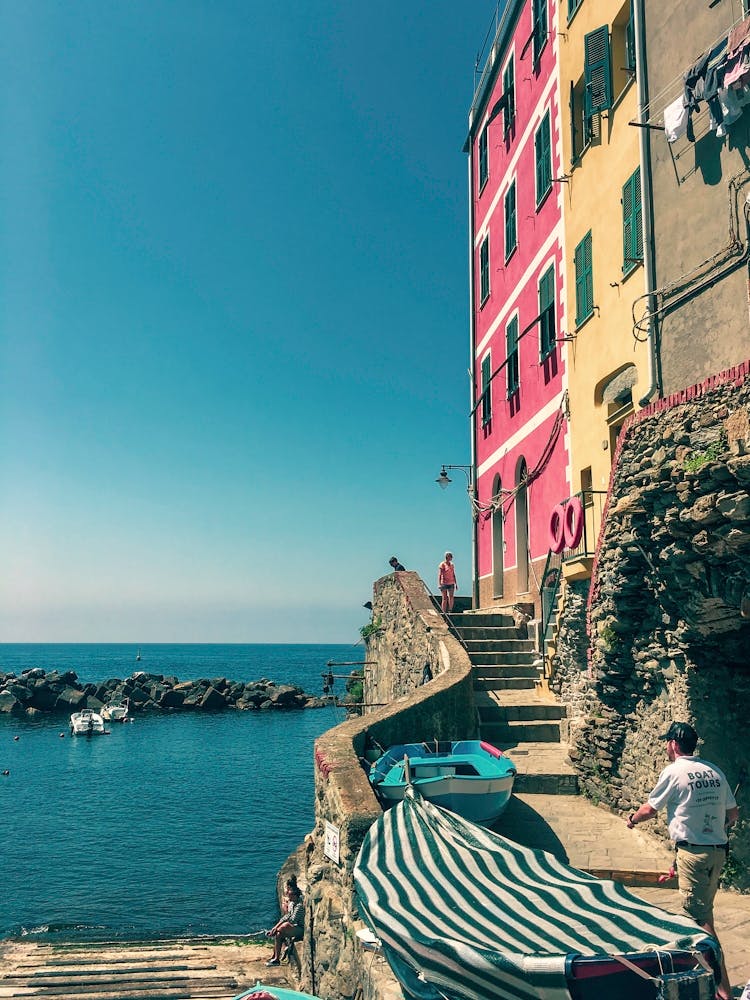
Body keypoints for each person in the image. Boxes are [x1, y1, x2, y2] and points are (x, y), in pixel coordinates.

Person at [625, 722, 738, 1000]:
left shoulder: (674, 771)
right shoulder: (714, 771)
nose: (666, 747)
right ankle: (713, 985)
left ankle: (721, 990)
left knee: (698, 923)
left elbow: (650, 809)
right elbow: (732, 814)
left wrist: (631, 820)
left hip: (694, 853)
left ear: (674, 744)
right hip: (717, 852)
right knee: (705, 912)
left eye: (667, 742)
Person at [266, 878, 304, 966]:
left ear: (294, 895)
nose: (287, 895)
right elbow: (286, 916)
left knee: (284, 926)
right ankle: (276, 958)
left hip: (301, 930)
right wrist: (276, 927)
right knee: (279, 934)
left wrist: (286, 911)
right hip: (294, 927)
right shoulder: (293, 904)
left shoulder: (299, 906)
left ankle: (275, 953)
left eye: (289, 893)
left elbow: (293, 920)